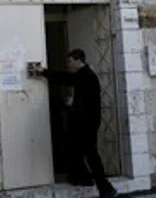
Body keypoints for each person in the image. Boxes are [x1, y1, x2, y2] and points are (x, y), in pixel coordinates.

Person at [32, 49, 117, 198]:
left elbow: (66, 79)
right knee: (73, 150)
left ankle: (105, 187)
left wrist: (43, 72)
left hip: (86, 124)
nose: (68, 64)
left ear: (79, 60)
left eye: (70, 61)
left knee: (91, 155)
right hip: (80, 123)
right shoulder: (84, 75)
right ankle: (82, 178)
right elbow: (68, 81)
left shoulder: (87, 76)